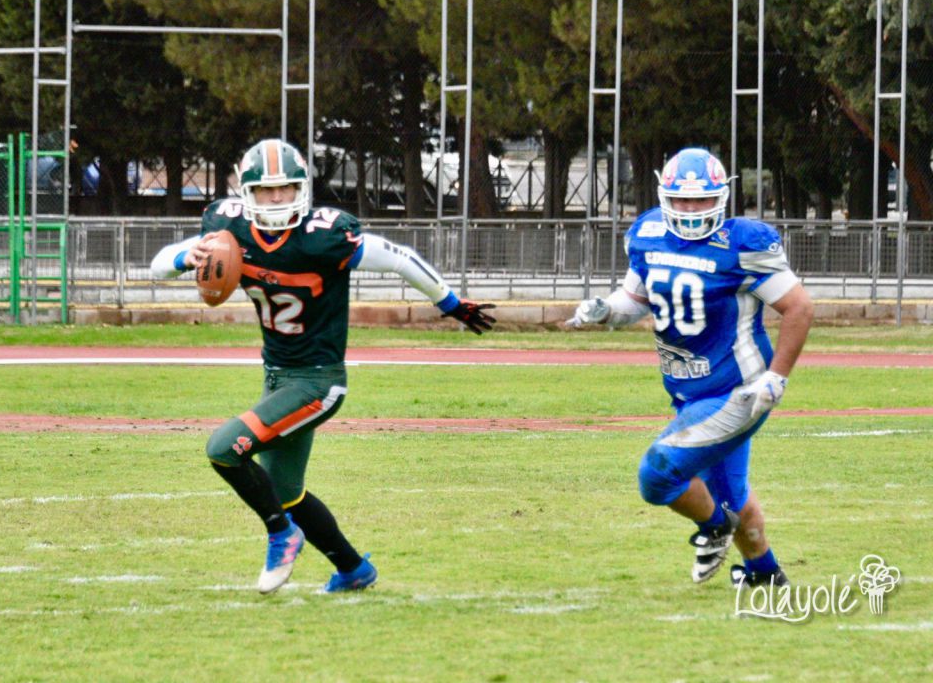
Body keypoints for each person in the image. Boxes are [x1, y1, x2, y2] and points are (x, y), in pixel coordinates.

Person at [151, 139, 496, 594]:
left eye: (287, 188)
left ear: (304, 188)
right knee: (286, 491)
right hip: (277, 374)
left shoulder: (325, 234)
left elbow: (398, 257)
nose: (277, 199)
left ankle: (280, 533)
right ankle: (353, 569)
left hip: (318, 380)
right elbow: (158, 266)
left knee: (223, 449)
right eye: (267, 190)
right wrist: (185, 258)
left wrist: (450, 304)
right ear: (246, 193)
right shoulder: (227, 228)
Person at [567, 147, 813, 588]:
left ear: (720, 198)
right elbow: (635, 302)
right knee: (730, 492)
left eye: (700, 200)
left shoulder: (743, 242)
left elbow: (798, 308)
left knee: (657, 474)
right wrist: (605, 309)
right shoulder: (647, 233)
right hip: (688, 390)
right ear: (665, 196)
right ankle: (764, 575)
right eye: (681, 200)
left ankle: (715, 528)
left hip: (740, 389)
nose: (690, 209)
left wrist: (777, 377)